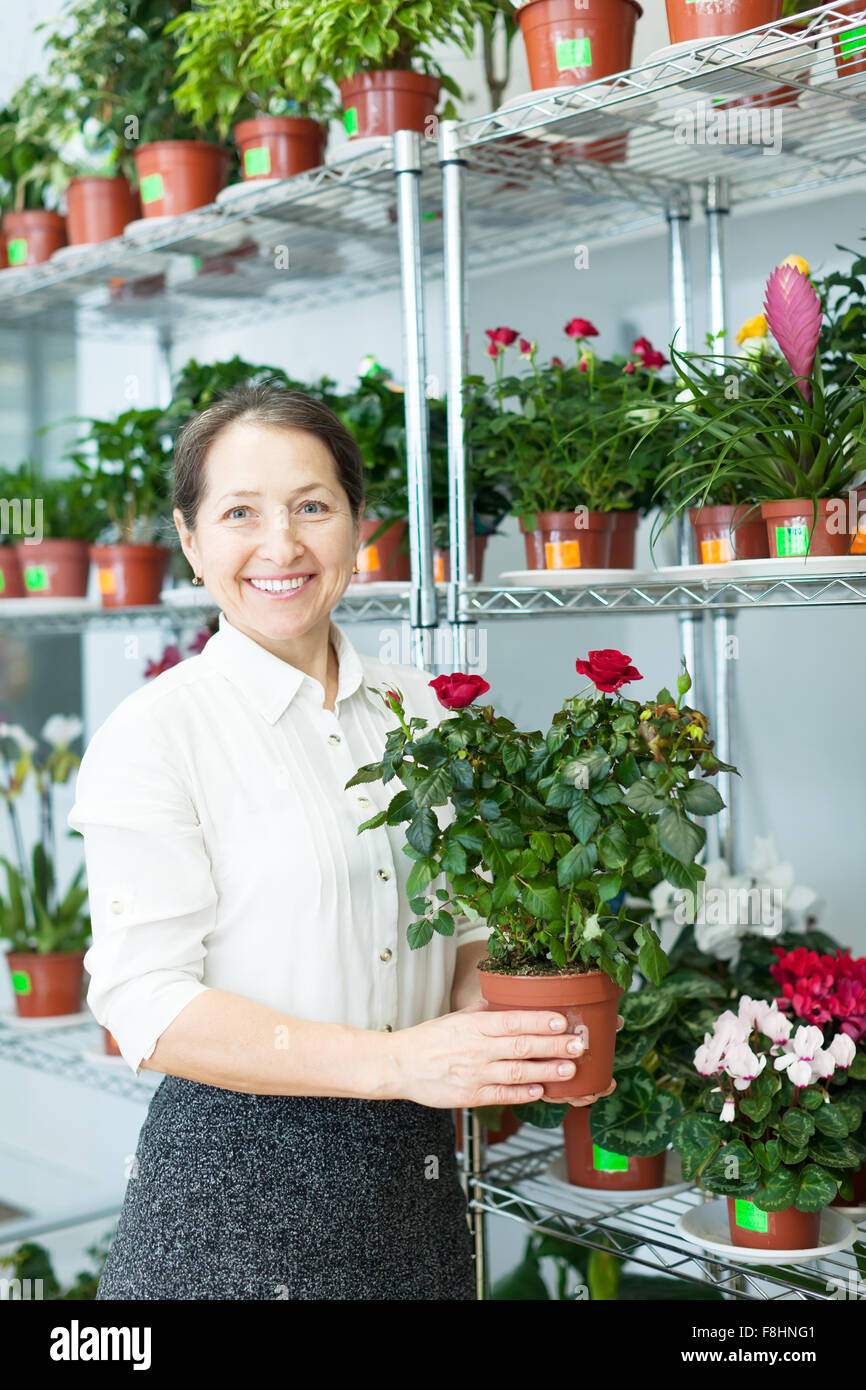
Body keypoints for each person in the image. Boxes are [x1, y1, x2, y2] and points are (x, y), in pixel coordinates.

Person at [67, 382, 615, 1301]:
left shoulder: (427, 711)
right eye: (240, 512)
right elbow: (144, 1004)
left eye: (312, 507)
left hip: (415, 1171)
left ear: (359, 531)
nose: (280, 545)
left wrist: (520, 1031)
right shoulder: (157, 732)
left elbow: (472, 928)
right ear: (192, 542)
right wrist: (398, 1061)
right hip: (235, 1186)